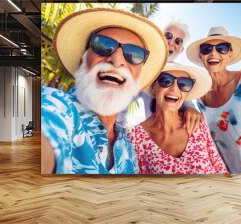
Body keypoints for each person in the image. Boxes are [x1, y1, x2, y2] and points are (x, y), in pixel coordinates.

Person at [41, 8, 168, 174]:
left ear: (138, 76)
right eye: (103, 45)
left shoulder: (127, 149)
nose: (116, 61)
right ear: (83, 60)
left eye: (135, 54)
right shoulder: (57, 106)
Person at [127, 63, 228, 175]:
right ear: (154, 86)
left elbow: (220, 169)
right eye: (166, 81)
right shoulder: (135, 137)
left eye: (184, 84)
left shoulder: (197, 125)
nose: (174, 89)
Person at [186, 27, 241, 174]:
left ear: (230, 53)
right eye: (207, 49)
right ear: (201, 55)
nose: (213, 54)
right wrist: (189, 108)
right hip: (222, 175)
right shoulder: (199, 95)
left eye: (221, 48)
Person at [117, 20, 201, 133]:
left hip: (181, 130)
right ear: (160, 38)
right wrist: (118, 132)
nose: (171, 43)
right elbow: (122, 104)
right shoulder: (144, 70)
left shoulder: (182, 72)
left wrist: (191, 109)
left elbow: (186, 98)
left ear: (181, 49)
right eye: (168, 36)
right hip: (154, 134)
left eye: (178, 41)